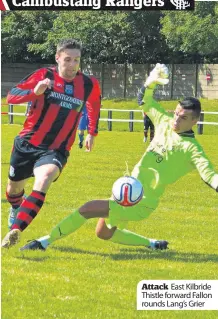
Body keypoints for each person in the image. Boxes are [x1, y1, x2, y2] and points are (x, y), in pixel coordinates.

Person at [17, 63, 218, 252]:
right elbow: (144, 101)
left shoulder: (193, 149)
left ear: (195, 120)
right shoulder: (164, 121)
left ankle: (43, 242)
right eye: (176, 113)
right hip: (127, 191)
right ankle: (153, 244)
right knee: (103, 233)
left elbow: (209, 175)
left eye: (183, 118)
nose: (176, 120)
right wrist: (150, 84)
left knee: (87, 208)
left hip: (142, 202)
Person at [2, 38, 101, 248]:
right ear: (57, 58)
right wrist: (34, 92)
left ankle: (15, 231)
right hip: (26, 144)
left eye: (76, 60)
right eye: (67, 60)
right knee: (13, 190)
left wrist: (92, 132)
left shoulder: (87, 83)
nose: (72, 65)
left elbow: (94, 104)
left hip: (57, 149)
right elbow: (11, 96)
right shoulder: (44, 76)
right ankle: (15, 207)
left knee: (45, 177)